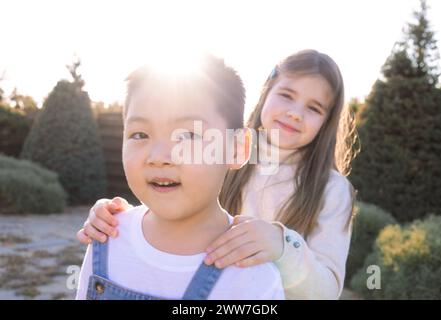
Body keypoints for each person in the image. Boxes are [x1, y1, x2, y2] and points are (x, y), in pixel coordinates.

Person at [77, 49, 358, 299]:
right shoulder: (220, 152)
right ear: (266, 94)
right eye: (286, 95)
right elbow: (178, 208)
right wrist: (118, 219)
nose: (295, 113)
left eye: (314, 107)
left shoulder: (333, 189)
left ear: (326, 122)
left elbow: (327, 290)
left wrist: (283, 247)